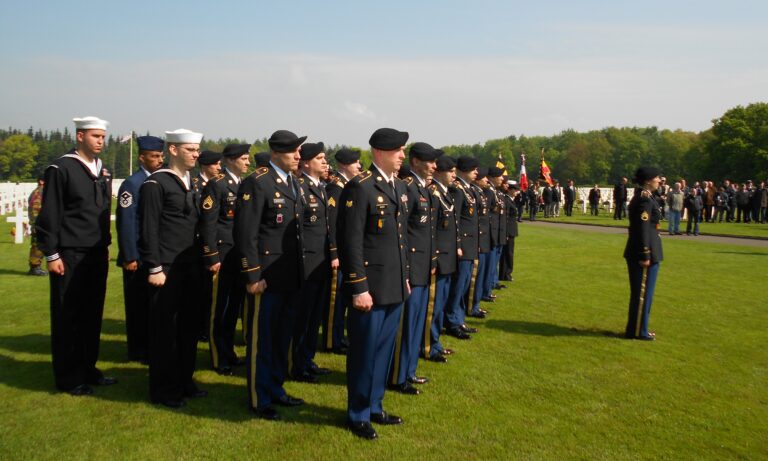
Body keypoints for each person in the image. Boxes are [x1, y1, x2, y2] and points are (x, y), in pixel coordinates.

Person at [338, 128, 410, 440]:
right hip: (369, 288)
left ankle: (375, 405)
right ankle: (358, 413)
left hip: (392, 284)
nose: (403, 156)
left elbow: (400, 240)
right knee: (364, 353)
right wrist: (358, 287)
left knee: (383, 352)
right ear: (380, 152)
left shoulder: (397, 186)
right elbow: (351, 242)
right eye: (399, 151)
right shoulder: (360, 188)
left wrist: (404, 278)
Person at [36, 116, 116, 395]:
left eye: (103, 137)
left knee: (91, 314)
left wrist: (104, 245)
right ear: (80, 136)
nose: (100, 141)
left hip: (95, 252)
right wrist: (52, 253)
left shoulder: (101, 169)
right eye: (95, 136)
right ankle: (69, 377)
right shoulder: (62, 168)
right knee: (68, 314)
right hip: (68, 253)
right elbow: (50, 213)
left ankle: (88, 368)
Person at [234, 130, 306, 420]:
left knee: (281, 338)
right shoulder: (258, 182)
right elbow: (246, 233)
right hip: (265, 278)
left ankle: (276, 388)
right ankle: (258, 397)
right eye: (294, 152)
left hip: (288, 276)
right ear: (277, 152)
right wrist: (252, 276)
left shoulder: (293, 183)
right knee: (262, 340)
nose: (299, 156)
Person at [140, 129, 207, 408]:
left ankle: (184, 380)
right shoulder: (157, 183)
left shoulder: (190, 183)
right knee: (165, 332)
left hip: (190, 267)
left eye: (197, 150)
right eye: (190, 149)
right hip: (166, 268)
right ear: (173, 150)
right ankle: (164, 389)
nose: (195, 154)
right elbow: (149, 229)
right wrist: (154, 267)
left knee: (188, 328)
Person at [389, 142, 438, 396]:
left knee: (416, 324)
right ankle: (397, 376)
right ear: (416, 161)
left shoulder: (421, 188)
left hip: (422, 267)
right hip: (411, 268)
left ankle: (408, 370)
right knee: (406, 326)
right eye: (430, 161)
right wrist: (405, 269)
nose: (434, 166)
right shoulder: (407, 188)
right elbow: (402, 234)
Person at [200, 143, 251, 376]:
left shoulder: (242, 185)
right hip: (221, 255)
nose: (248, 162)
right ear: (230, 160)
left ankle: (228, 351)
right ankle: (218, 356)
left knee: (232, 308)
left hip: (237, 255)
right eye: (244, 158)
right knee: (218, 309)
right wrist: (211, 255)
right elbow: (208, 223)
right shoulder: (217, 185)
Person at [116, 135, 164, 363]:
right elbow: (126, 222)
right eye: (154, 156)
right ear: (142, 157)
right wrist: (129, 255)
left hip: (152, 254)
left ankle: (150, 346)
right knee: (137, 306)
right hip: (136, 255)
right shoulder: (132, 184)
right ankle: (137, 350)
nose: (159, 160)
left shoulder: (158, 181)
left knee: (152, 306)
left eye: (161, 156)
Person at [291, 142, 333, 383]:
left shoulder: (321, 187)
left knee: (314, 317)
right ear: (306, 162)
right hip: (306, 263)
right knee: (302, 318)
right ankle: (296, 364)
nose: (325, 162)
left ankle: (307, 359)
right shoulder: (300, 187)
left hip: (321, 262)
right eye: (319, 158)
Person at [323, 148, 363, 354]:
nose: (359, 166)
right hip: (337, 255)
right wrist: (334, 253)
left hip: (345, 253)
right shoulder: (335, 189)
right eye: (356, 162)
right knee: (334, 301)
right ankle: (331, 339)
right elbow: (331, 225)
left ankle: (338, 336)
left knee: (342, 299)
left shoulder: (348, 186)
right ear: (345, 164)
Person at [424, 154, 459, 363]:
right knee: (432, 307)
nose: (454, 175)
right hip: (438, 259)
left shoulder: (444, 193)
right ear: (438, 172)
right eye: (451, 171)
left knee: (439, 305)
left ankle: (434, 342)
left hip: (447, 259)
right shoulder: (433, 193)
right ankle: (428, 346)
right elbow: (430, 231)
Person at [624, 166, 663, 341]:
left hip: (646, 249)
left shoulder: (646, 197)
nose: (660, 180)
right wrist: (645, 254)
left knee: (643, 293)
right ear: (648, 180)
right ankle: (639, 331)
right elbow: (643, 228)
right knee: (643, 294)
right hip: (644, 252)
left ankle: (638, 328)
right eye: (657, 177)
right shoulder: (644, 200)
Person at [445, 156, 479, 340]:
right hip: (463, 246)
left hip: (470, 245)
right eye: (474, 169)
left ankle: (459, 319)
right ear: (465, 170)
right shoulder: (457, 190)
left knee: (464, 285)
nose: (476, 172)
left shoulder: (467, 189)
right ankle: (451, 321)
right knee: (458, 286)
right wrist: (458, 244)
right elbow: (455, 220)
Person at [193, 149, 223, 342]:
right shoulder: (196, 184)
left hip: (211, 241)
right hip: (196, 242)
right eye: (215, 164)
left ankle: (205, 327)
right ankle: (199, 327)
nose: (219, 167)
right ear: (205, 165)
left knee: (209, 291)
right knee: (199, 291)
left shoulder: (216, 185)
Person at [499, 183, 520, 281]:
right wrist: (506, 232)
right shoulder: (507, 200)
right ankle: (506, 274)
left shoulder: (511, 200)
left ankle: (506, 273)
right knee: (507, 253)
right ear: (510, 190)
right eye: (515, 190)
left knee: (508, 253)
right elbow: (506, 218)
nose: (516, 192)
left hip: (511, 230)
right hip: (508, 231)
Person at [27, 176, 46, 276]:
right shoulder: (39, 192)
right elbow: (35, 209)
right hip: (38, 223)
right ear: (41, 181)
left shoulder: (42, 191)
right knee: (37, 245)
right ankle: (35, 267)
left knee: (39, 244)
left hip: (40, 223)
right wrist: (36, 225)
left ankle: (36, 266)